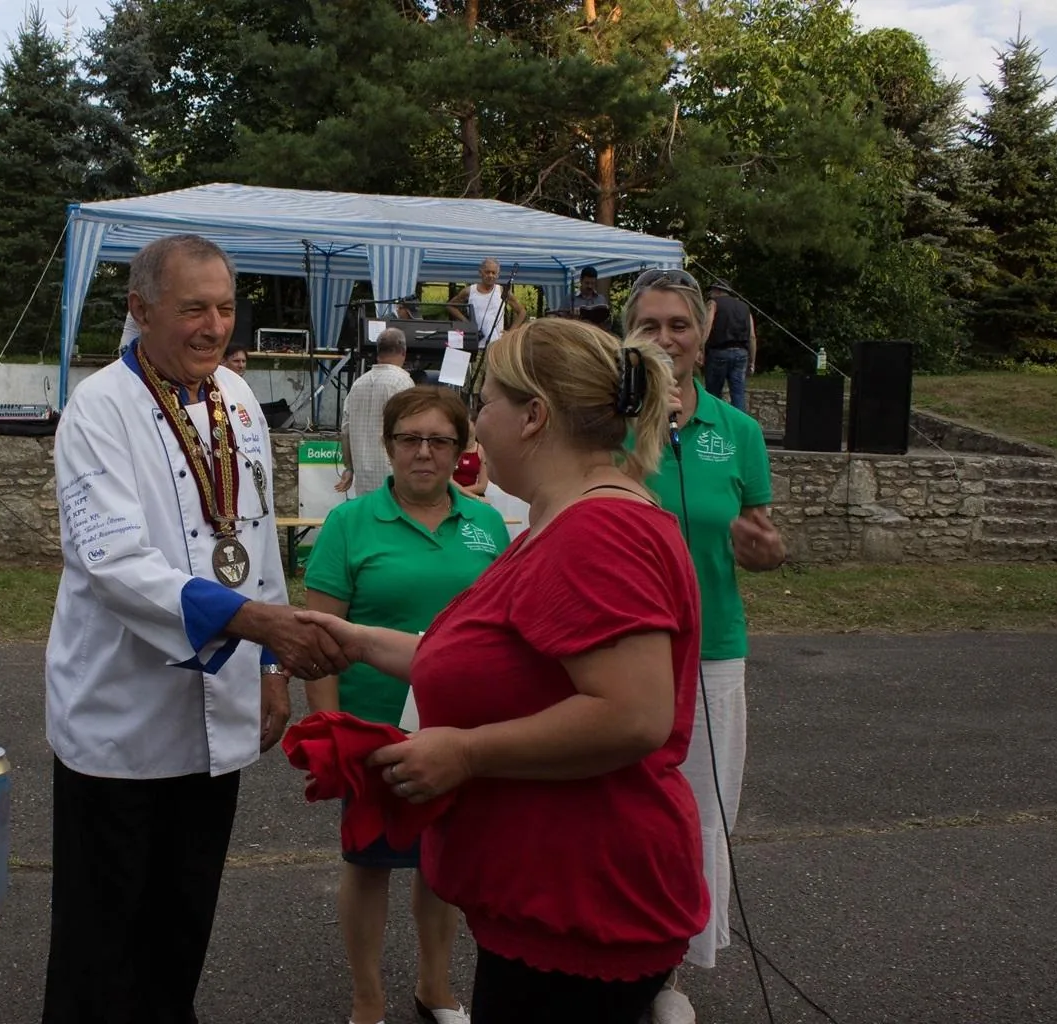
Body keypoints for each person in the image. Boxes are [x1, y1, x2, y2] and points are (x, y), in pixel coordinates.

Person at [300, 317, 707, 1023]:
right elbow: (498, 662)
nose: (476, 421)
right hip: (552, 891)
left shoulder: (596, 530)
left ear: (534, 416)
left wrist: (463, 751)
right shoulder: (564, 518)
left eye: (485, 402)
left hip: (581, 895)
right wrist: (356, 639)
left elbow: (633, 714)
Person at [42, 233, 346, 1024]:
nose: (214, 326)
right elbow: (112, 562)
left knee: (182, 921)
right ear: (140, 310)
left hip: (219, 712)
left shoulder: (237, 400)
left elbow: (253, 541)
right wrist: (258, 628)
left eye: (223, 307)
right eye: (192, 310)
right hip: (121, 716)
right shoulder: (99, 408)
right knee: (101, 941)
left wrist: (270, 670)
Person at [304, 386, 509, 1024]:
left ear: (461, 449)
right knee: (370, 864)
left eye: (439, 440)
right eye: (409, 440)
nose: (424, 452)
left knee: (441, 864)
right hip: (374, 728)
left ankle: (435, 988)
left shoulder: (488, 525)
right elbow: (319, 638)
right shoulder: (349, 524)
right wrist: (326, 729)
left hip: (459, 730)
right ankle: (368, 1000)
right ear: (388, 446)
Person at [624, 268, 785, 1024]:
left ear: (702, 331)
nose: (664, 339)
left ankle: (672, 972)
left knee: (701, 811)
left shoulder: (739, 432)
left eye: (677, 325)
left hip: (712, 646)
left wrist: (764, 549)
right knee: (617, 805)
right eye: (649, 325)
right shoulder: (603, 421)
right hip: (620, 646)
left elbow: (760, 536)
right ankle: (614, 954)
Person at [336, 328, 414, 499]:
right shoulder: (403, 383)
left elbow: (345, 430)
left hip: (362, 473)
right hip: (393, 473)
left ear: (378, 352)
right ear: (403, 351)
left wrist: (349, 467)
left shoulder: (357, 384)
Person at [703, 280, 757, 412]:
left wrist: (699, 348)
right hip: (741, 354)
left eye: (711, 291)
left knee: (713, 393)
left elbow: (707, 326)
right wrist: (752, 361)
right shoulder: (744, 307)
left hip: (719, 352)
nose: (710, 294)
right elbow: (752, 336)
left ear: (717, 290)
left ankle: (713, 422)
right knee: (738, 394)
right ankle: (740, 427)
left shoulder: (713, 303)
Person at [448, 258, 525, 349]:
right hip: (475, 344)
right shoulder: (469, 291)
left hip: (497, 346)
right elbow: (451, 306)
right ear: (481, 272)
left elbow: (522, 312)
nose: (490, 275)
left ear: (498, 275)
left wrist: (510, 332)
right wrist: (467, 322)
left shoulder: (502, 291)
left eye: (493, 273)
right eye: (487, 272)